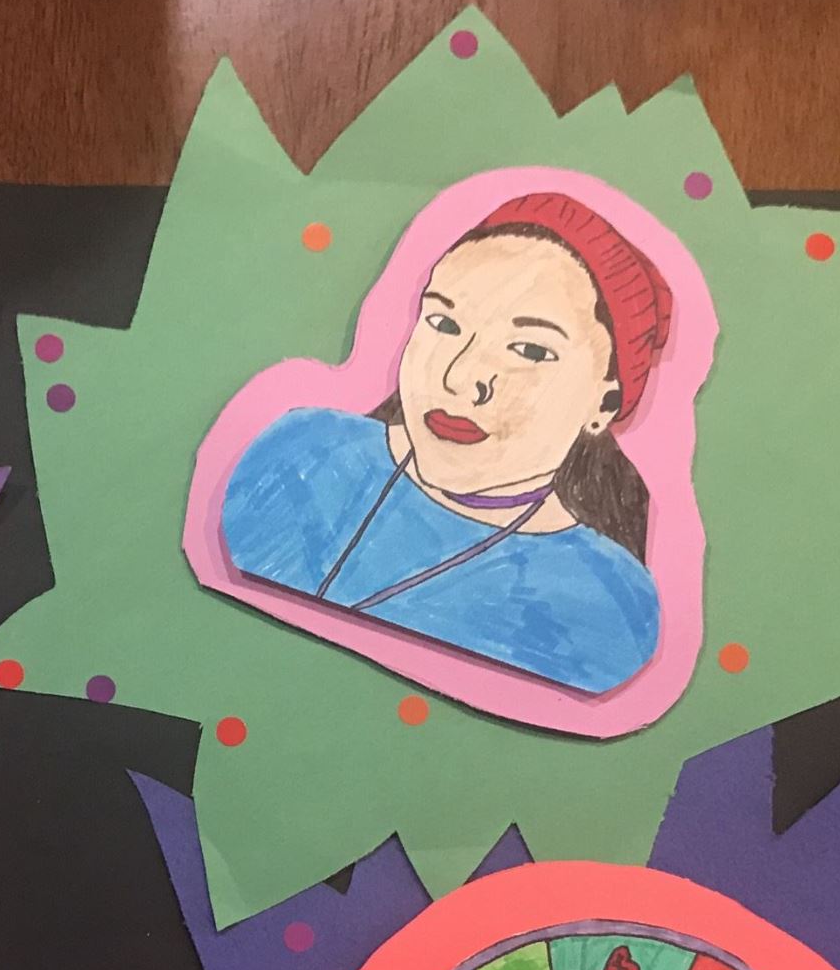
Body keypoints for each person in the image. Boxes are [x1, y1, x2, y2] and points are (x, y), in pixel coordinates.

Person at [218, 191, 673, 695]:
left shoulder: (607, 610)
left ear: (604, 404)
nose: (459, 378)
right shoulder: (297, 457)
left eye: (529, 350)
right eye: (444, 323)